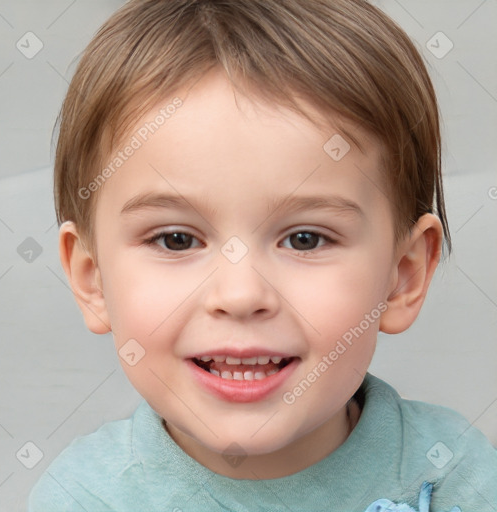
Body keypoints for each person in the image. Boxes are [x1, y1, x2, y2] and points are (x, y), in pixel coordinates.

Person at [28, 0, 497, 510]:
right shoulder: (84, 498)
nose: (241, 294)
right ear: (92, 279)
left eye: (305, 239)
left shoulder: (456, 476)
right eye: (176, 239)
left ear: (402, 276)